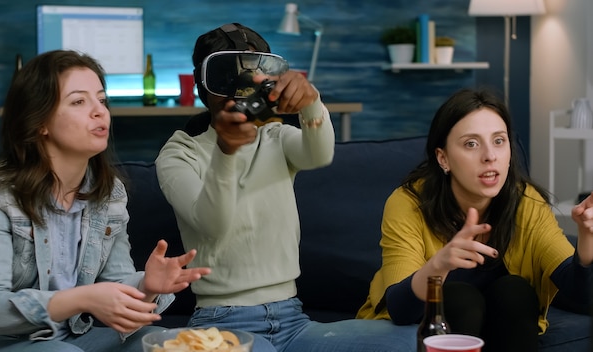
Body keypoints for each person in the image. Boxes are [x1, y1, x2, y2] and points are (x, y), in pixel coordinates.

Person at [155, 23, 417, 352]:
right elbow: (214, 223)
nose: (241, 88)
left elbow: (319, 153)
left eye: (253, 76)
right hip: (221, 322)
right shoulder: (179, 153)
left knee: (412, 341)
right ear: (204, 84)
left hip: (292, 319)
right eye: (229, 76)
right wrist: (226, 151)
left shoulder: (274, 136)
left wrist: (311, 102)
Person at [0, 50, 211, 352]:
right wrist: (83, 298)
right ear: (39, 120)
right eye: (79, 101)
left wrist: (147, 286)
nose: (100, 112)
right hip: (1, 343)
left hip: (75, 338)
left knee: (165, 343)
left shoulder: (109, 194)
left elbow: (117, 284)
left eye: (101, 100)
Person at [356, 88, 593, 352]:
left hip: (505, 331)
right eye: (471, 143)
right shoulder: (408, 202)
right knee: (458, 297)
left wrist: (587, 241)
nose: (490, 156)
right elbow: (400, 308)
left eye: (499, 141)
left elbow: (580, 295)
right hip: (423, 329)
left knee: (515, 291)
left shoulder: (525, 200)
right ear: (443, 158)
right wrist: (439, 264)